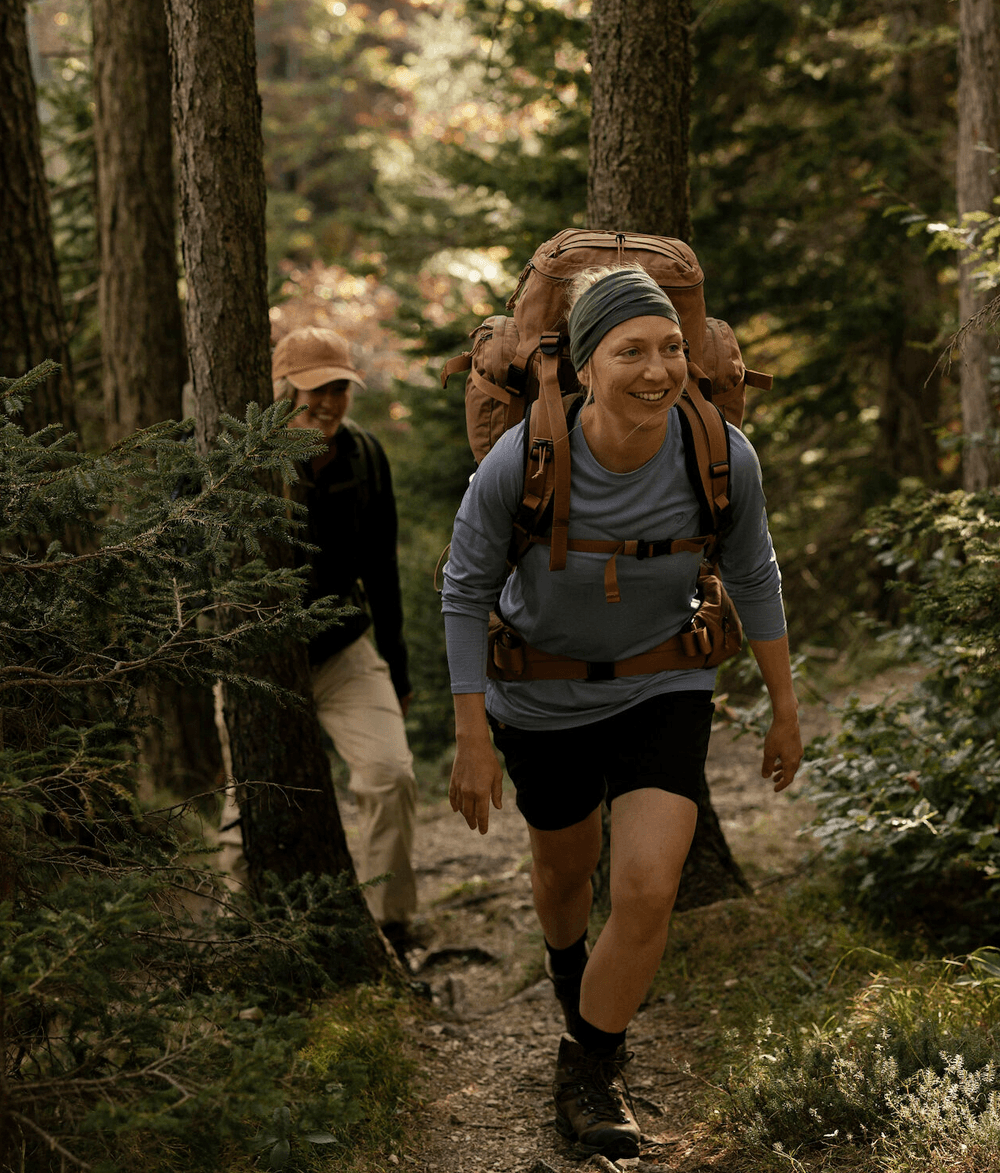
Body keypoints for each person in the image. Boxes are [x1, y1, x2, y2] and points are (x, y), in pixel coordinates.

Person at [441, 266, 802, 1159]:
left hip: (660, 685)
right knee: (565, 876)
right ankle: (573, 982)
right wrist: (471, 733)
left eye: (673, 348)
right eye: (631, 350)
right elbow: (463, 589)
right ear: (584, 367)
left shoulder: (719, 453)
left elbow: (755, 575)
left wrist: (785, 703)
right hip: (540, 694)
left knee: (645, 884)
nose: (658, 369)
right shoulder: (520, 458)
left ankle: (591, 1063)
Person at [271, 325, 418, 947]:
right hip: (261, 663)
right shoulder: (238, 457)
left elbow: (381, 570)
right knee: (245, 812)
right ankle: (248, 940)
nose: (327, 403)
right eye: (312, 391)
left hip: (342, 648)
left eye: (339, 388)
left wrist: (400, 668)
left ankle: (391, 928)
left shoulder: (364, 455)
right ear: (280, 391)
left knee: (390, 775)